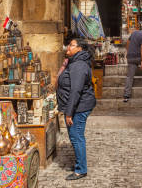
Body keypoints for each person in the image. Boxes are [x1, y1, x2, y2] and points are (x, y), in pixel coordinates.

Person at [56, 38, 96, 181]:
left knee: (76, 137)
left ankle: (81, 170)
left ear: (80, 48)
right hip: (75, 106)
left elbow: (76, 91)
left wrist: (69, 112)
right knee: (75, 136)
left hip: (78, 107)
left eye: (72, 45)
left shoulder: (79, 65)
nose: (68, 47)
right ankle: (80, 164)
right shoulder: (74, 62)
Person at [123, 22, 142, 102]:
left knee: (130, 76)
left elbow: (128, 42)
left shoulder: (135, 32)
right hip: (138, 56)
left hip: (130, 57)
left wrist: (127, 52)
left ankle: (126, 95)